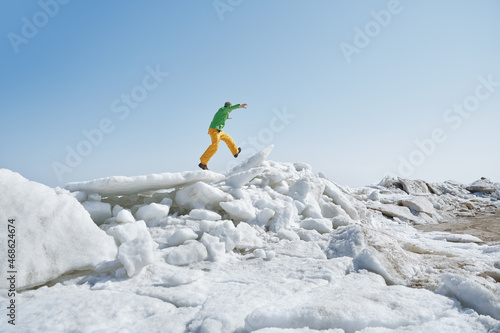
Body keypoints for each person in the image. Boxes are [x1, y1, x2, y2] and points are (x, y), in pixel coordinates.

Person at [199, 102, 247, 170]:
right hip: (214, 130)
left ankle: (235, 152)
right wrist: (239, 106)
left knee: (228, 139)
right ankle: (203, 163)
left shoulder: (226, 113)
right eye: (230, 108)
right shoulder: (222, 109)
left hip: (219, 131)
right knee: (215, 145)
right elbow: (228, 109)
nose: (231, 110)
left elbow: (223, 116)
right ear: (227, 107)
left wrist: (227, 118)